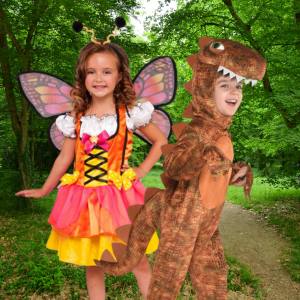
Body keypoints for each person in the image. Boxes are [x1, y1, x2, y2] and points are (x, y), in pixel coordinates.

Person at [94, 37, 266, 299]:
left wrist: (234, 174)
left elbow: (210, 177)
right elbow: (174, 167)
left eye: (238, 86)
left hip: (206, 225)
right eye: (225, 85)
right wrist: (204, 153)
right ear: (207, 89)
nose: (234, 92)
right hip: (181, 219)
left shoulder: (220, 131)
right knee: (166, 285)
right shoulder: (198, 131)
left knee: (214, 282)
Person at [16, 38, 167, 299]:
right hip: (85, 200)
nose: (99, 78)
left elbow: (161, 141)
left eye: (107, 71)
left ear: (119, 76)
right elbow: (64, 159)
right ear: (83, 76)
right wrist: (44, 189)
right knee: (94, 262)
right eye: (91, 71)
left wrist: (140, 171)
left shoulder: (130, 113)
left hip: (121, 199)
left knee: (136, 258)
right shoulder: (75, 118)